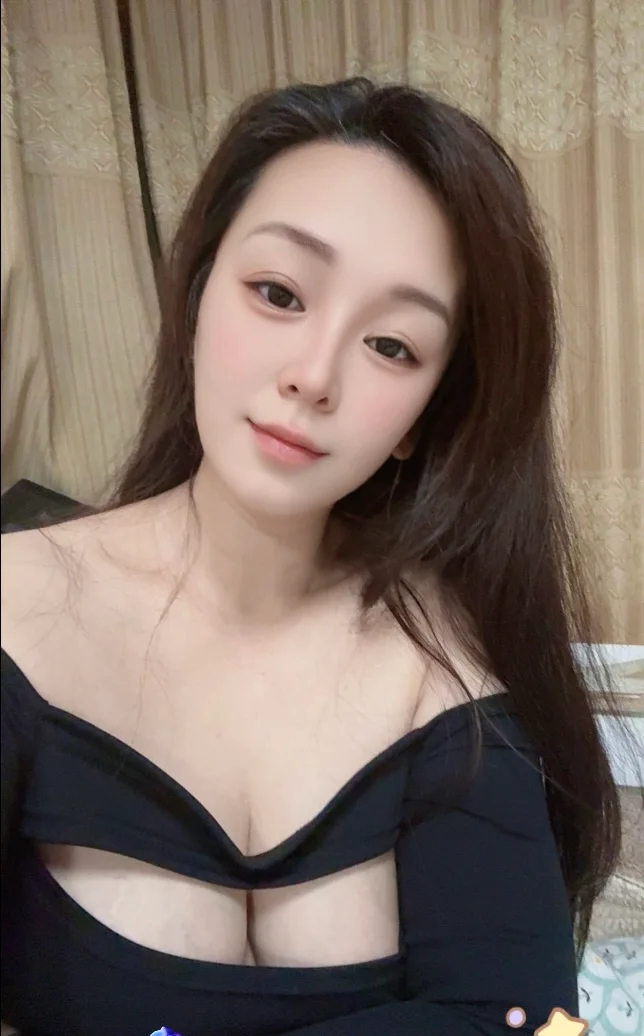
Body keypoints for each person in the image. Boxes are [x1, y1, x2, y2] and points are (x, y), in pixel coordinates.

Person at [1, 78, 623, 1036]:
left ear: (423, 420)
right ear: (197, 296)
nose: (314, 375)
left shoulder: (446, 669)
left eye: (392, 345)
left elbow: (516, 1020)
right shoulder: (21, 608)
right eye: (279, 293)